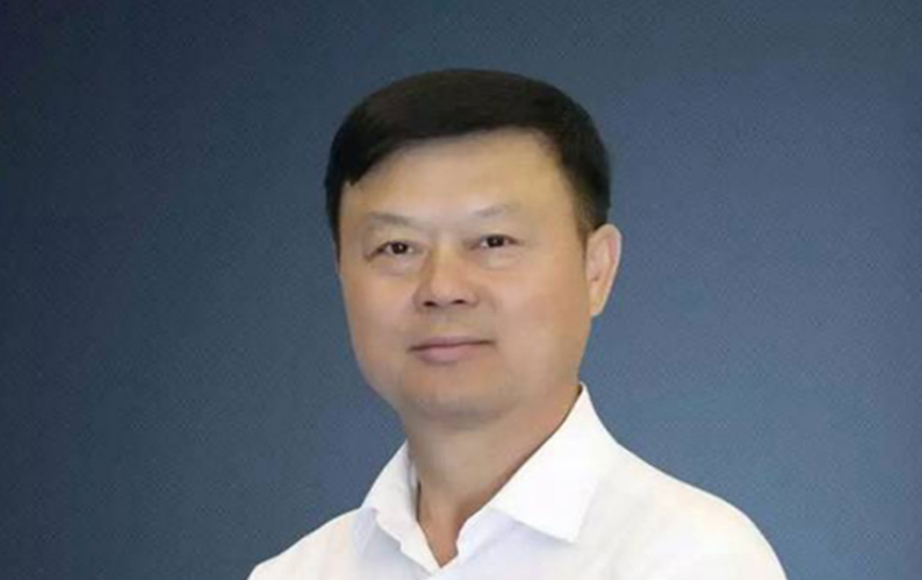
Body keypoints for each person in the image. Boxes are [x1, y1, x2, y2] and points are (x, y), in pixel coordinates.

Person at [248, 69, 787, 579]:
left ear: (596, 270)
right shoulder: (297, 572)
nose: (442, 287)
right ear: (342, 272)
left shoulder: (694, 559)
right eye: (397, 247)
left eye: (493, 241)